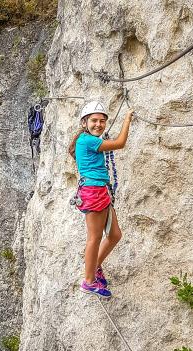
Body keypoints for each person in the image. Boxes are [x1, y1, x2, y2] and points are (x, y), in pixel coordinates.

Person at [68, 101, 134, 298]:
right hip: (93, 192)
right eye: (94, 120)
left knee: (114, 235)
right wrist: (127, 119)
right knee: (94, 238)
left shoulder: (87, 140)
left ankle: (94, 266)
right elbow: (120, 143)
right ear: (84, 122)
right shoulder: (87, 141)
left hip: (100, 191)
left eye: (102, 121)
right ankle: (89, 281)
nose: (99, 124)